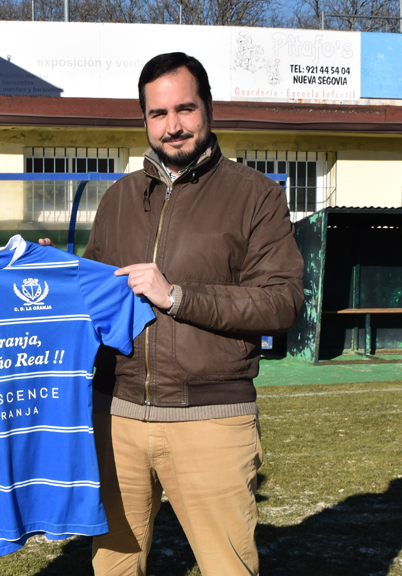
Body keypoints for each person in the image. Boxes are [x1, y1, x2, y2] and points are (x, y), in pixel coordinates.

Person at [83, 52, 304, 576]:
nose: (173, 126)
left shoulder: (257, 196)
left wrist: (178, 296)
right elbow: (91, 297)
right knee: (113, 568)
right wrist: (51, 276)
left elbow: (282, 300)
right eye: (158, 114)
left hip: (211, 419)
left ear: (208, 108)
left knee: (229, 569)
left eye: (185, 109)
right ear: (144, 120)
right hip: (116, 418)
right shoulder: (116, 199)